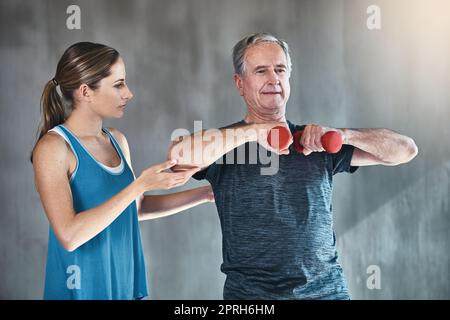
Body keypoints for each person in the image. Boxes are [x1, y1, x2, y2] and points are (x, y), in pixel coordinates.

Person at [167, 33, 418, 299]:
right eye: (261, 71)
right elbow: (178, 156)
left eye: (280, 70)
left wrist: (344, 134)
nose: (273, 78)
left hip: (326, 292)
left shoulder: (315, 142)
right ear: (240, 83)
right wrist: (255, 132)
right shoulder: (224, 148)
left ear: (288, 79)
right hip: (251, 298)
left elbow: (405, 150)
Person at [31, 42, 213, 300]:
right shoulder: (53, 148)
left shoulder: (117, 140)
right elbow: (69, 235)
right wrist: (140, 185)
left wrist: (206, 193)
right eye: (118, 85)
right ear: (85, 91)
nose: (129, 93)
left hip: (123, 284)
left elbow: (133, 209)